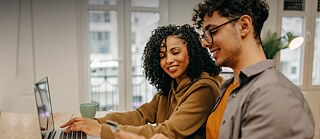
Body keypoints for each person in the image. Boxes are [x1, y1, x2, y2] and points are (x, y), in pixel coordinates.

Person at [61, 24, 222, 139]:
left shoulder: (203, 89)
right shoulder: (174, 84)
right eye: (162, 56)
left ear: (191, 53)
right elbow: (140, 115)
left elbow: (167, 132)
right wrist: (95, 122)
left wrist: (102, 130)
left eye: (175, 52)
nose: (169, 60)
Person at [191, 0, 315, 138]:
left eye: (212, 31)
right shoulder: (229, 88)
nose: (204, 43)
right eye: (205, 35)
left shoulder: (273, 95)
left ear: (244, 26)